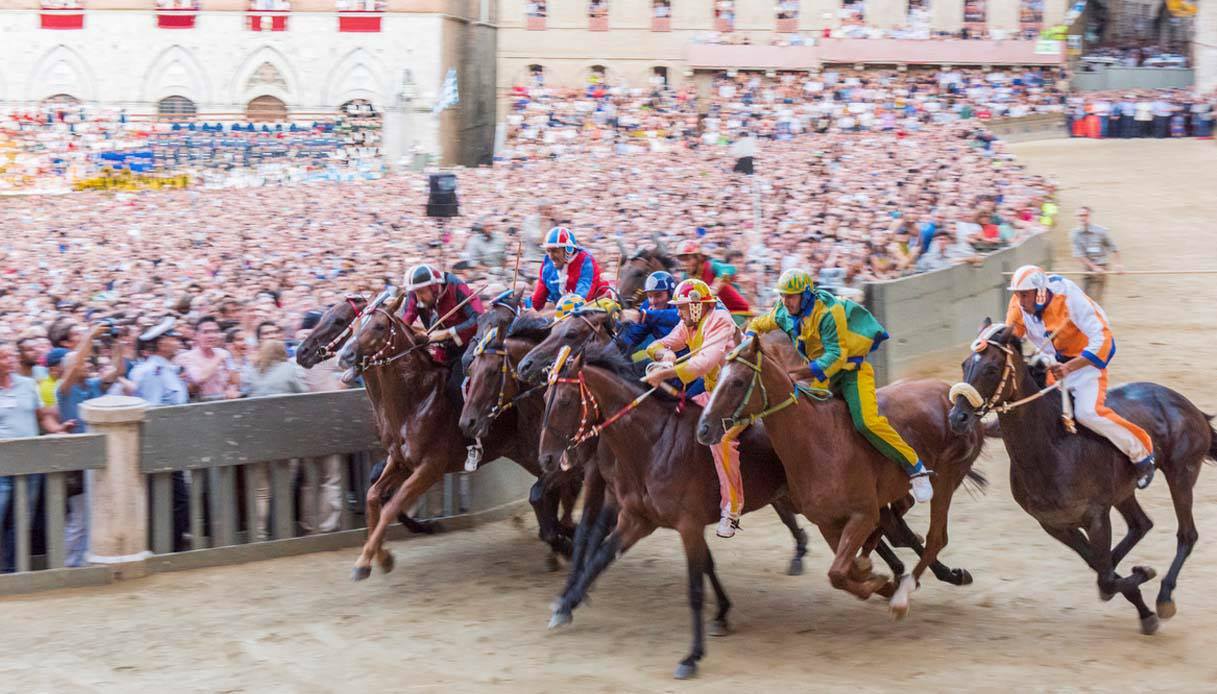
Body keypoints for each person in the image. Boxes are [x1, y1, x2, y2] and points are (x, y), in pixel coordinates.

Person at [747, 269, 935, 503]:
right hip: (819, 375)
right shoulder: (783, 312)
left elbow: (837, 355)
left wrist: (804, 371)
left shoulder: (828, 312)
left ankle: (916, 469)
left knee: (867, 422)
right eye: (783, 296)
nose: (786, 301)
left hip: (850, 372)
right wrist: (748, 340)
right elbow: (758, 323)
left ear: (806, 295)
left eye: (791, 296)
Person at [1005, 265, 1156, 488]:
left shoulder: (1069, 297)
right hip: (1050, 363)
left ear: (1039, 292)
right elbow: (1009, 339)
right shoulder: (1019, 303)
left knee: (1087, 413)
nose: (1019, 300)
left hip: (1085, 364)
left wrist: (1070, 367)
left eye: (1024, 295)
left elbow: (1105, 341)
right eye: (1016, 295)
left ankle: (1142, 453)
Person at [641, 279, 743, 538]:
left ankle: (731, 509)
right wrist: (664, 356)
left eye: (683, 307)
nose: (678, 312)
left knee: (722, 439)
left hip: (739, 393)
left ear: (697, 306)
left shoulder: (719, 320)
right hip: (714, 393)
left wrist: (666, 373)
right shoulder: (688, 323)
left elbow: (702, 365)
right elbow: (659, 344)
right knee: (675, 418)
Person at [245, 339, 307, 541]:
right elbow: (305, 395)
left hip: (256, 436)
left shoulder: (251, 370)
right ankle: (282, 532)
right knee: (283, 485)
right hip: (284, 436)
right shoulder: (289, 369)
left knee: (260, 490)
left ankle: (260, 533)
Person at [401, 263, 484, 399]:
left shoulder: (457, 287)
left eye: (421, 292)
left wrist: (446, 333)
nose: (418, 297)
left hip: (466, 350)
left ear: (434, 288)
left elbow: (478, 318)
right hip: (439, 353)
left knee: (455, 388)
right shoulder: (415, 293)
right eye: (415, 293)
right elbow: (405, 320)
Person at [529, 227, 605, 310]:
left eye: (555, 251)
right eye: (548, 251)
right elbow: (537, 301)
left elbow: (580, 299)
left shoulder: (586, 261)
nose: (551, 257)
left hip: (592, 308)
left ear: (568, 250)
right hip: (562, 311)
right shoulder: (547, 264)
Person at [674, 240, 751, 317]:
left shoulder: (710, 266)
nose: (684, 264)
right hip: (713, 315)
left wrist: (715, 287)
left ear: (698, 258)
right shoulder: (685, 277)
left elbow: (730, 268)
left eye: (687, 259)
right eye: (681, 260)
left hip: (737, 312)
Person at [1070, 206, 1122, 301]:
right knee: (1084, 299)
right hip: (1088, 268)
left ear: (1089, 216)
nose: (1082, 218)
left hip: (1102, 268)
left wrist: (1118, 264)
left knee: (1097, 299)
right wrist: (1094, 267)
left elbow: (1114, 248)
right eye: (1079, 215)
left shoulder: (1101, 231)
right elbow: (1078, 255)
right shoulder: (1075, 234)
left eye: (1084, 215)